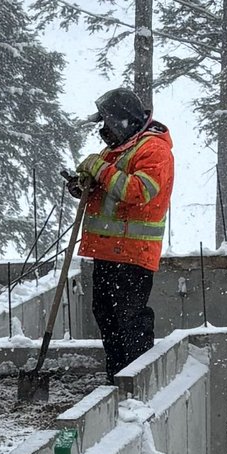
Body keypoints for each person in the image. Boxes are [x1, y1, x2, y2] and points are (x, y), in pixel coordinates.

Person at [70, 86, 174, 378]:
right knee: (106, 316)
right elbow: (110, 192)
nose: (104, 130)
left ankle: (136, 379)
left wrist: (100, 169)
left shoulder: (154, 150)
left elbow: (138, 191)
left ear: (122, 122)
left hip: (132, 253)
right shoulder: (118, 149)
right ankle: (116, 376)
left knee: (130, 319)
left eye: (107, 124)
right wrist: (83, 187)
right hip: (108, 249)